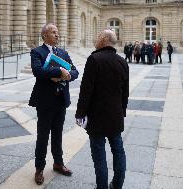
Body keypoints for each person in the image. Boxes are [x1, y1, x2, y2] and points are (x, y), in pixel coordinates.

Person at [75, 29, 129, 189]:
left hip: (97, 117)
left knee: (99, 155)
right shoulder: (122, 61)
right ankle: (117, 185)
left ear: (104, 40)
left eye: (98, 36)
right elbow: (124, 93)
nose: (96, 39)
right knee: (118, 151)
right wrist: (122, 113)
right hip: (116, 116)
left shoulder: (94, 59)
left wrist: (80, 113)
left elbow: (86, 90)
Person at [29, 23, 79, 185]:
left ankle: (58, 163)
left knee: (57, 135)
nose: (57, 35)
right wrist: (58, 72)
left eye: (57, 32)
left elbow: (75, 71)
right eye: (53, 32)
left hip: (60, 101)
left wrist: (67, 75)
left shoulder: (63, 52)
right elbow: (38, 71)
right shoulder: (37, 52)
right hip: (45, 101)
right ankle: (39, 168)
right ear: (44, 35)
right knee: (43, 136)